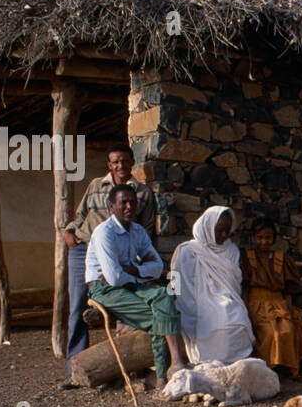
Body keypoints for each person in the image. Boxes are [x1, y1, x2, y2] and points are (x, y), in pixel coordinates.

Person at [85, 184, 187, 390]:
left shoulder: (138, 230)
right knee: (157, 316)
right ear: (112, 206)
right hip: (103, 289)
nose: (130, 206)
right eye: (124, 202)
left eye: (133, 202)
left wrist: (132, 269)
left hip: (130, 284)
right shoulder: (105, 232)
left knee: (165, 294)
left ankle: (174, 365)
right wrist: (140, 268)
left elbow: (157, 268)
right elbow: (112, 279)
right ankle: (163, 376)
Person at [61, 145, 156, 363]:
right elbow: (81, 214)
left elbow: (146, 229)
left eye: (124, 161)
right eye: (115, 162)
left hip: (119, 255)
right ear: (109, 165)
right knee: (78, 305)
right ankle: (75, 364)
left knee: (120, 304)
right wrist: (69, 231)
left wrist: (137, 262)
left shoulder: (142, 193)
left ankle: (119, 363)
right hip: (84, 250)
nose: (120, 165)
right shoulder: (96, 185)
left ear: (132, 163)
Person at [169, 205, 255, 364]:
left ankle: (235, 365)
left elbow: (234, 282)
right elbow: (178, 283)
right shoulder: (187, 250)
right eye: (219, 230)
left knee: (237, 318)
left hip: (228, 298)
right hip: (196, 301)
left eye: (227, 231)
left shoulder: (231, 250)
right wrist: (190, 305)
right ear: (207, 226)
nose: (224, 235)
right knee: (217, 321)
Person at [240, 220, 302, 376]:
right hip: (256, 304)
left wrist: (288, 309)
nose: (264, 242)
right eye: (260, 237)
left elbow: (287, 290)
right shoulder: (246, 258)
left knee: (288, 330)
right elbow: (245, 288)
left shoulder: (282, 259)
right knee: (270, 333)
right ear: (254, 238)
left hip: (278, 303)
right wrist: (245, 310)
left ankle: (286, 368)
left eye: (268, 238)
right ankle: (268, 369)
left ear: (274, 239)